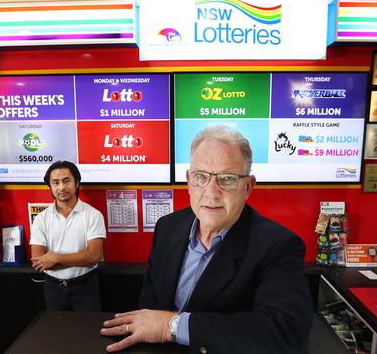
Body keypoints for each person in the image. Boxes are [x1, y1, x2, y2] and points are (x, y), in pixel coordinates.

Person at [101, 125, 312, 353]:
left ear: (248, 186)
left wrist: (172, 326)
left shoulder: (278, 246)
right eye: (201, 176)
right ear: (189, 180)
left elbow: (285, 333)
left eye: (227, 178)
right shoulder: (167, 227)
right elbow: (150, 308)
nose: (211, 192)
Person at [30, 160, 106, 311]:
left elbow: (94, 256)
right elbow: (39, 261)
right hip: (53, 288)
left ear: (76, 182)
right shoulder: (41, 219)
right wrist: (80, 259)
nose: (61, 187)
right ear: (50, 186)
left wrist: (55, 258)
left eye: (66, 181)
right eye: (55, 183)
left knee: (88, 331)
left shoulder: (93, 215)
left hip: (85, 286)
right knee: (57, 333)